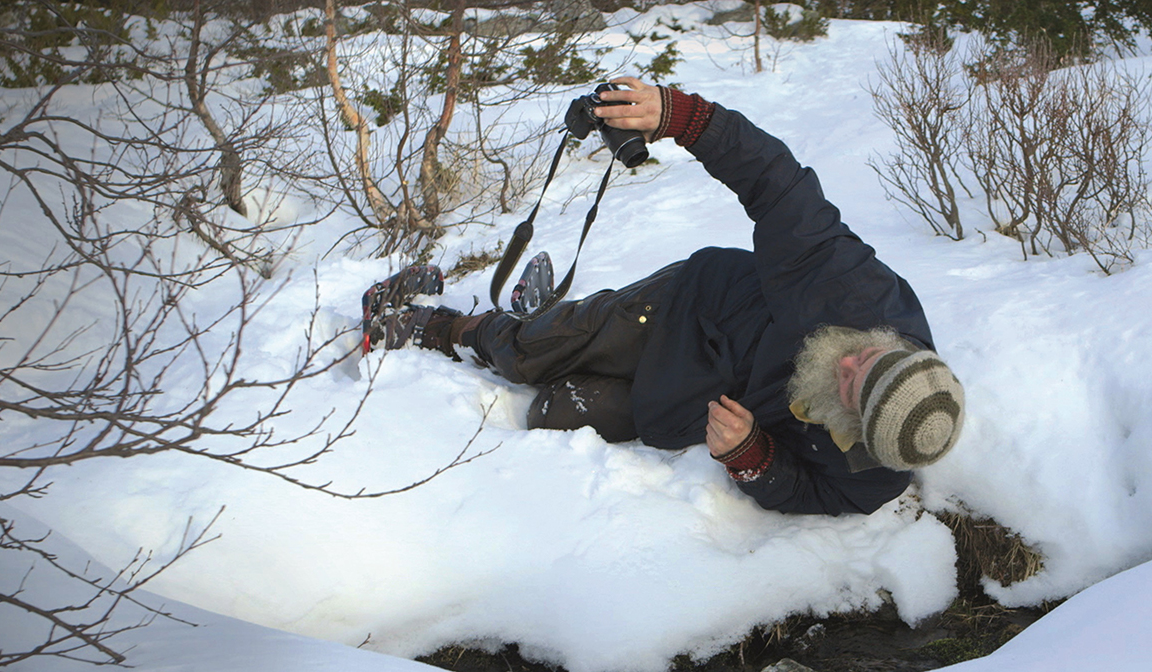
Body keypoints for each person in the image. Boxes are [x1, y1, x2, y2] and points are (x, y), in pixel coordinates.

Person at [368, 77, 964, 516]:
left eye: (853, 383)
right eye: (873, 355)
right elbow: (780, 187)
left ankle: (550, 334)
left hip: (696, 400)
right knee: (530, 355)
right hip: (688, 309)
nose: (852, 360)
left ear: (858, 430)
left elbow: (810, 492)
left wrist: (752, 456)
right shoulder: (853, 290)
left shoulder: (871, 475)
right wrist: (682, 117)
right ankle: (437, 326)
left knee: (558, 414)